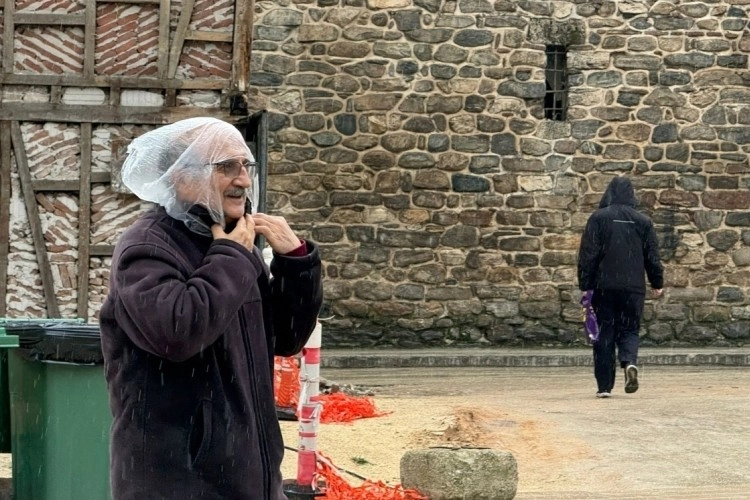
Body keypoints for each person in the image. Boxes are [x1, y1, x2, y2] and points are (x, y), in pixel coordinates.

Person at [99, 117, 323, 499]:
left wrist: (297, 263)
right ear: (181, 178)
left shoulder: (234, 244)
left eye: (245, 166)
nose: (244, 180)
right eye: (226, 167)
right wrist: (231, 256)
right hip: (180, 483)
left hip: (250, 479)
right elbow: (178, 333)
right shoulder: (147, 247)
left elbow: (285, 338)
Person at [577, 176, 663, 399]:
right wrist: (657, 283)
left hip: (604, 285)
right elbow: (652, 256)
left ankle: (604, 386)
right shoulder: (643, 221)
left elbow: (588, 254)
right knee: (630, 329)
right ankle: (629, 362)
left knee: (604, 333)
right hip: (633, 287)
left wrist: (585, 284)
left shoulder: (598, 218)